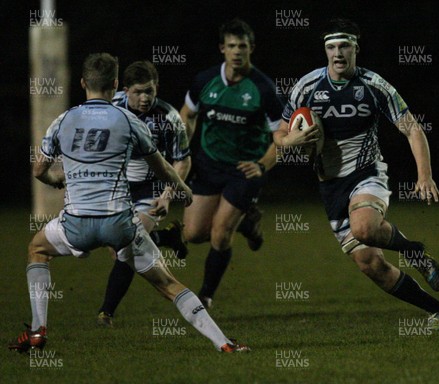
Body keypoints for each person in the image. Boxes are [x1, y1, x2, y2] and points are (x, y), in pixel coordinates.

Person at [9, 53, 249, 353]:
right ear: (116, 84)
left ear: (83, 83)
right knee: (168, 284)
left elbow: (38, 170)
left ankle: (37, 331)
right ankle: (224, 344)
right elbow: (163, 166)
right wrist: (182, 191)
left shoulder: (64, 119)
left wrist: (58, 179)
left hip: (75, 225)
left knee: (37, 249)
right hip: (118, 224)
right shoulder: (129, 121)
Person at [273, 19, 439, 330]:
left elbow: (412, 128)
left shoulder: (374, 85)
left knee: (365, 228)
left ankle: (414, 251)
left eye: (344, 46)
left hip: (367, 173)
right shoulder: (306, 86)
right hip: (330, 187)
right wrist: (290, 140)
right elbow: (279, 134)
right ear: (325, 51)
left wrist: (424, 176)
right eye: (331, 47)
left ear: (356, 48)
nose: (337, 53)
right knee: (372, 265)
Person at [179, 18, 283, 308]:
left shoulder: (264, 89)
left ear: (251, 49)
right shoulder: (205, 81)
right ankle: (248, 223)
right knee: (194, 233)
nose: (237, 51)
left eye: (243, 46)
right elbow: (186, 114)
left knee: (220, 232)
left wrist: (262, 165)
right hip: (209, 165)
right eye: (232, 46)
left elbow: (283, 136)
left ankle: (206, 295)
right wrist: (182, 147)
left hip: (243, 171)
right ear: (222, 49)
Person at [96, 61, 191, 327]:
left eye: (149, 90)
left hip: (153, 187)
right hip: (119, 186)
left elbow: (182, 161)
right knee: (116, 248)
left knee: (126, 245)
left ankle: (106, 312)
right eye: (138, 91)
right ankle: (168, 236)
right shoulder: (109, 109)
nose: (145, 97)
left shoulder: (168, 116)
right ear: (125, 90)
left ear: (156, 87)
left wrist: (168, 195)